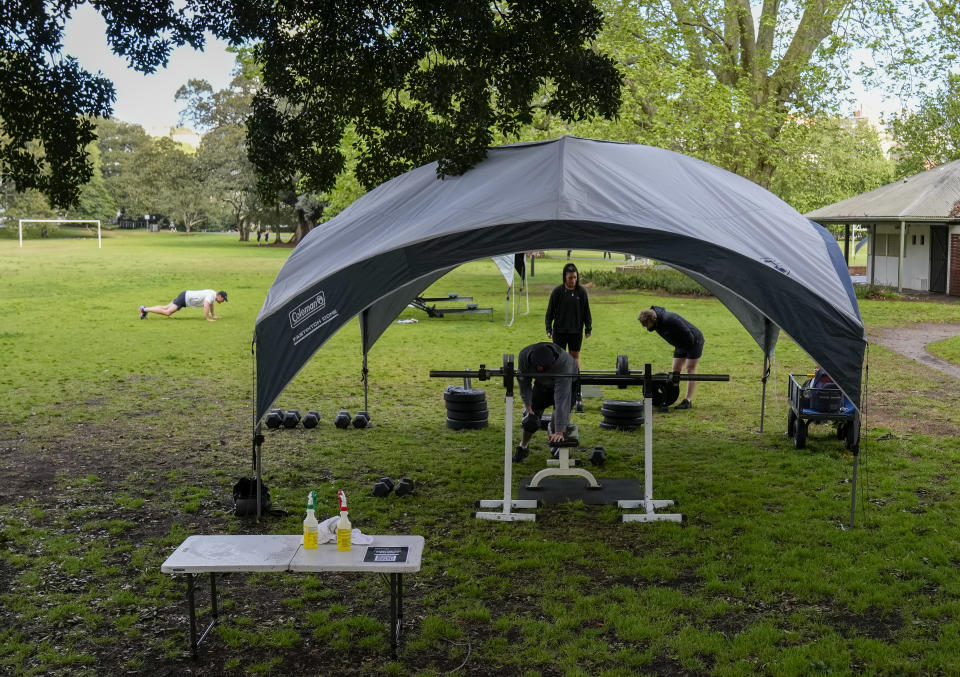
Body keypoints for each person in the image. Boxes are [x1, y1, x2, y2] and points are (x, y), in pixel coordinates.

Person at [513, 342, 578, 462]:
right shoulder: (524, 356)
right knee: (531, 419)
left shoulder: (564, 364)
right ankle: (523, 446)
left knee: (557, 420)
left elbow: (561, 400)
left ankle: (557, 445)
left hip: (568, 383)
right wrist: (528, 407)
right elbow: (524, 383)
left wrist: (559, 431)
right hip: (542, 384)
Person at [544, 262, 592, 412]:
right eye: (570, 277)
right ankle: (557, 392)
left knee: (574, 358)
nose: (573, 280)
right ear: (565, 277)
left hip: (576, 331)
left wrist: (588, 328)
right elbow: (549, 311)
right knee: (558, 359)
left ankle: (577, 392)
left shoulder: (581, 292)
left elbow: (586, 312)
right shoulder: (557, 292)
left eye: (575, 277)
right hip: (559, 330)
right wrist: (548, 328)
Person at [638, 306, 704, 409]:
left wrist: (687, 353)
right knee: (676, 368)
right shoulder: (657, 323)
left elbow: (688, 334)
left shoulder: (670, 319)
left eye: (647, 325)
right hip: (680, 343)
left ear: (652, 319)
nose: (647, 328)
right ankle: (671, 395)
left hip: (694, 341)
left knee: (690, 368)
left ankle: (688, 401)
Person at [139, 290, 228, 322]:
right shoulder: (211, 295)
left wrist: (213, 315)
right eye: (223, 299)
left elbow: (211, 305)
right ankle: (144, 309)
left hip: (185, 295)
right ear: (219, 296)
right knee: (167, 312)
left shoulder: (212, 295)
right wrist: (207, 318)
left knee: (165, 308)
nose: (223, 301)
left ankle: (144, 309)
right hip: (185, 298)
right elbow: (206, 305)